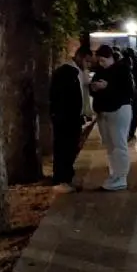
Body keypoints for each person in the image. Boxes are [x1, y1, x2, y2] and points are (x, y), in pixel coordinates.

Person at [89, 45, 136, 191]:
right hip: (104, 112)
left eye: (103, 60)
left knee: (118, 143)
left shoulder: (122, 69)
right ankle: (114, 174)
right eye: (99, 61)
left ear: (110, 57)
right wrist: (95, 88)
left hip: (119, 109)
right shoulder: (100, 71)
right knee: (110, 145)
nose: (101, 63)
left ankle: (120, 177)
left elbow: (128, 91)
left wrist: (107, 87)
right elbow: (94, 91)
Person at [49, 47, 95, 193]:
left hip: (72, 117)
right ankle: (61, 179)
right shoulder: (66, 72)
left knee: (70, 148)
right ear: (80, 57)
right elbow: (61, 97)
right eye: (87, 61)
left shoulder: (77, 73)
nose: (88, 65)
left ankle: (67, 177)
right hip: (65, 118)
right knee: (64, 148)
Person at [123, 48, 137, 142]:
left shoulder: (122, 65)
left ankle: (127, 131)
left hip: (128, 92)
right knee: (135, 113)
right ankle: (131, 132)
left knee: (127, 112)